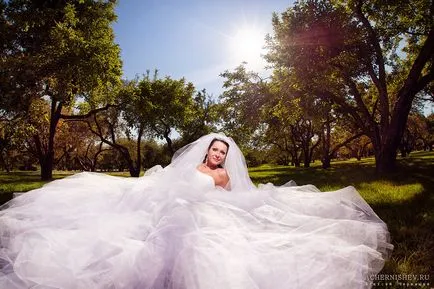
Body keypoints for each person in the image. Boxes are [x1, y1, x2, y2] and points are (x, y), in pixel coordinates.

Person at [0, 133, 393, 289]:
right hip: (165, 206)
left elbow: (229, 200)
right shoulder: (189, 166)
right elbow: (165, 182)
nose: (218, 154)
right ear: (206, 148)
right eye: (215, 149)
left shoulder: (222, 177)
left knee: (193, 240)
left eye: (223, 152)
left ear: (226, 158)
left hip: (197, 214)